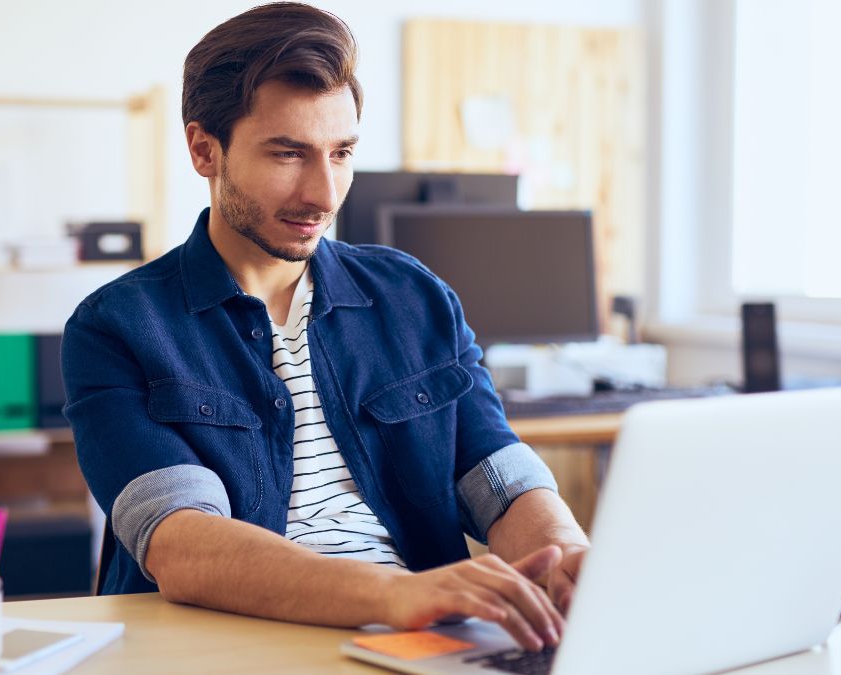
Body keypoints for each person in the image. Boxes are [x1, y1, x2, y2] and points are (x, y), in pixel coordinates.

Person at [61, 2, 590, 652]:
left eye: (341, 153)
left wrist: (564, 555)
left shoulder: (414, 296)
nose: (324, 192)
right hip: (236, 644)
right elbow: (182, 543)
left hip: (420, 641)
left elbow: (501, 476)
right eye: (288, 154)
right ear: (205, 150)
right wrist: (395, 595)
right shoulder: (117, 327)